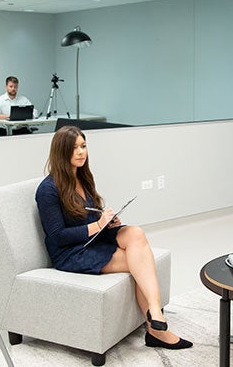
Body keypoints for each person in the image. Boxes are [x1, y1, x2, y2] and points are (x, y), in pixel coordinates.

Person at [35, 126, 192, 350]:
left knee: (136, 233)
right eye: (74, 148)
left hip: (93, 238)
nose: (81, 152)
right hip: (71, 251)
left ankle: (155, 311)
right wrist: (97, 225)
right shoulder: (47, 190)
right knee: (140, 261)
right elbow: (58, 236)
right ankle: (156, 329)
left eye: (83, 146)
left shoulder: (82, 176)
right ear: (61, 152)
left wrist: (107, 222)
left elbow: (89, 214)